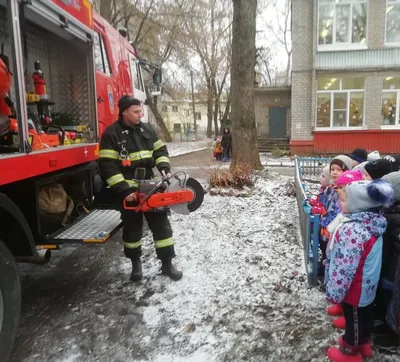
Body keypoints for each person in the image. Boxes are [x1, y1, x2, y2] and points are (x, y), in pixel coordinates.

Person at [98, 96, 182, 282]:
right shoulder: (111, 134)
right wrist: (125, 191)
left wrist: (163, 167)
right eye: (136, 112)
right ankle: (136, 264)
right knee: (132, 230)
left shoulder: (148, 129)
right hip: (128, 190)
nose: (140, 115)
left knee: (162, 227)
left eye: (140, 111)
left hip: (151, 186)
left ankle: (167, 264)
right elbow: (107, 166)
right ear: (124, 111)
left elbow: (160, 151)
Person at [325, 179, 394, 362]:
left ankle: (350, 352)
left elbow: (344, 267)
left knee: (353, 320)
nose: (341, 203)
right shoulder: (374, 224)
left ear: (359, 206)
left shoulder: (353, 231)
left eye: (344, 201)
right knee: (364, 315)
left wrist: (335, 291)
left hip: (354, 286)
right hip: (368, 283)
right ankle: (364, 343)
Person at [373, 171, 400, 350]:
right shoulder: (388, 213)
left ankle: (394, 336)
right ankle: (386, 324)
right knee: (386, 298)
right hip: (386, 266)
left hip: (394, 270)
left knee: (393, 302)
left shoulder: (396, 219)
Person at [319, 155, 353, 272]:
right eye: (332, 169)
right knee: (324, 248)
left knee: (332, 251)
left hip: (334, 227)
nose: (334, 172)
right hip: (325, 223)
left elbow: (338, 211)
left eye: (339, 169)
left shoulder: (344, 190)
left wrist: (329, 226)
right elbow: (325, 204)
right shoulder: (330, 187)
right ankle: (324, 267)